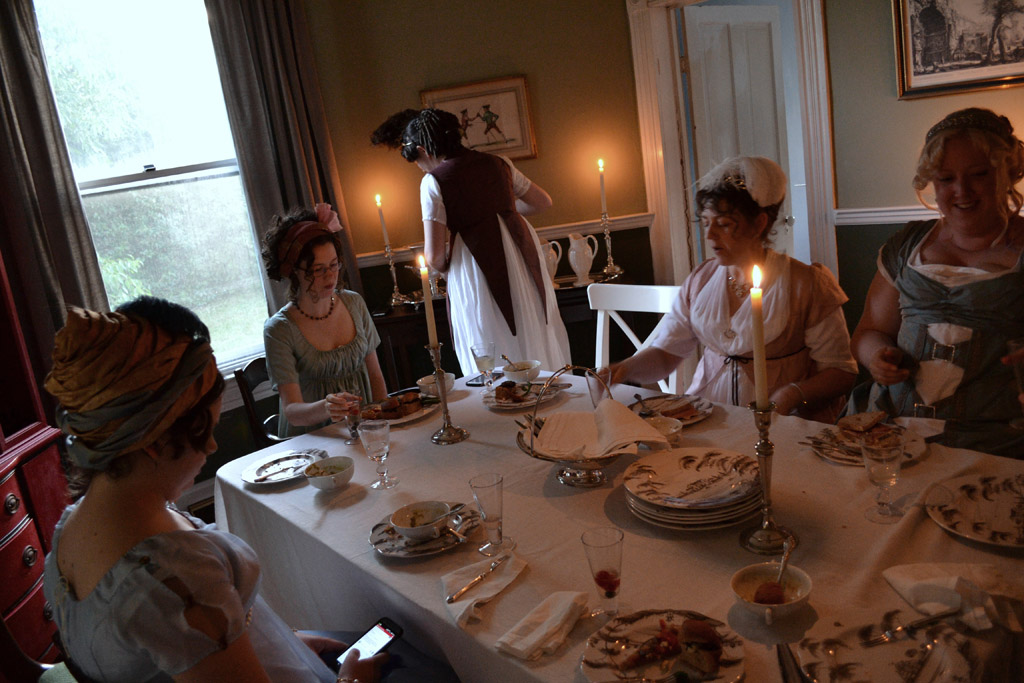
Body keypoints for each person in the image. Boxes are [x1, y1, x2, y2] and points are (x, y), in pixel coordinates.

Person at [41, 297, 385, 682]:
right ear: (155, 441)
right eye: (205, 430)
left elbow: (188, 651)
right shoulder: (169, 580)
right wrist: (353, 679)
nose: (211, 446)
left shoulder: (76, 526)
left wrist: (282, 642)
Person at [602, 156, 858, 421]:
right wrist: (624, 369)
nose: (710, 235)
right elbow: (666, 355)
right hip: (706, 418)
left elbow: (841, 373)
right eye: (706, 223)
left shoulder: (806, 284)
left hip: (781, 423)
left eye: (723, 224)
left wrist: (791, 395)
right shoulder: (701, 280)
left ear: (759, 223)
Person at [850, 108, 1024, 457]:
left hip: (993, 443)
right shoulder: (907, 246)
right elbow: (869, 331)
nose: (962, 191)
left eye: (979, 174)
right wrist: (877, 358)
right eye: (945, 179)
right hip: (890, 433)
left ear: (1007, 171)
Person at [371, 108, 570, 376]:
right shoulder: (499, 163)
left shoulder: (433, 182)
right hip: (520, 258)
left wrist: (448, 266)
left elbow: (434, 256)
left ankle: (502, 395)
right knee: (532, 327)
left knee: (489, 339)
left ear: (423, 150)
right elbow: (542, 202)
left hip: (475, 267)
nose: (419, 166)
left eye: (417, 160)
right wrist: (504, 213)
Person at [262, 204, 387, 436]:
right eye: (318, 269)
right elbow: (291, 411)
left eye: (333, 265)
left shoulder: (354, 303)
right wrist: (326, 407)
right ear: (295, 271)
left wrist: (383, 422)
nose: (330, 276)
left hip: (365, 429)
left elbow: (376, 377)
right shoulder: (279, 329)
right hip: (313, 440)